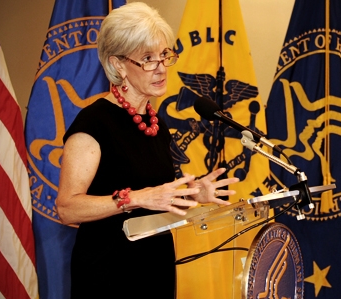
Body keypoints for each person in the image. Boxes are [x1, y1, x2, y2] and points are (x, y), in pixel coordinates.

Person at [56, 2, 239, 298]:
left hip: (155, 268)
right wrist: (138, 198)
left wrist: (195, 195)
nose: (161, 68)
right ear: (118, 65)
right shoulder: (94, 122)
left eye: (165, 55)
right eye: (148, 59)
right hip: (109, 275)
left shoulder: (156, 124)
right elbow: (67, 207)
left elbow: (156, 199)